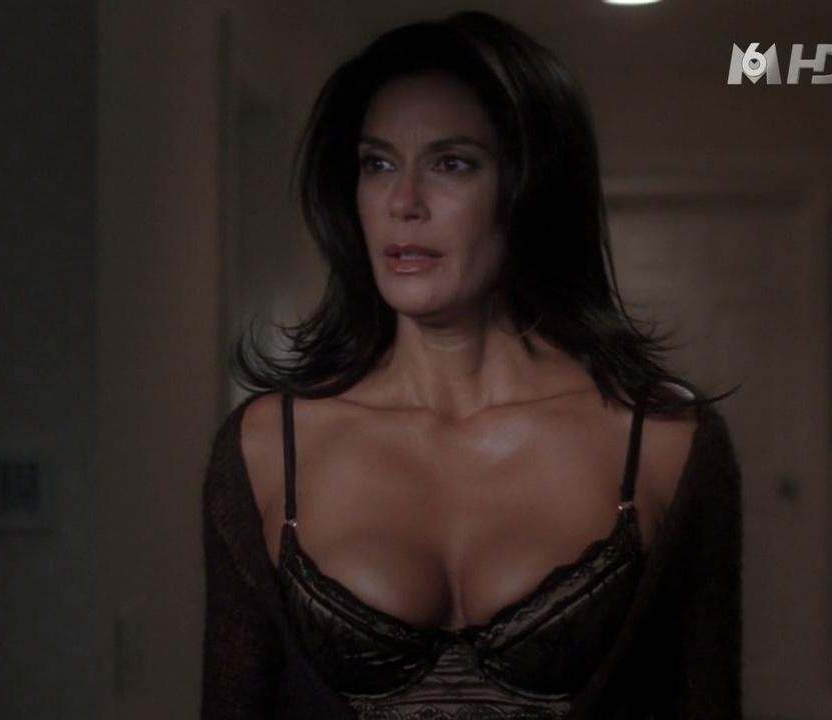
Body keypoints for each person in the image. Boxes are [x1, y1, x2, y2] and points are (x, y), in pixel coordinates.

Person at [201, 10, 742, 719]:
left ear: (531, 187)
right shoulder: (268, 447)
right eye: (377, 164)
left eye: (451, 163)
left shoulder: (666, 441)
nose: (403, 203)